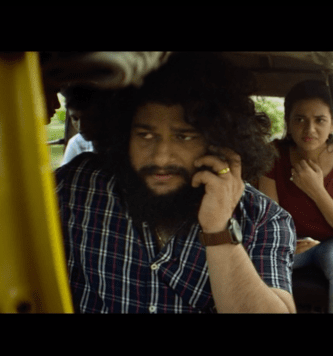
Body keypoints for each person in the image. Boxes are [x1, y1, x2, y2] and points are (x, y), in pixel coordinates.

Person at [55, 52, 296, 313]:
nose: (161, 157)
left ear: (220, 142)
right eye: (146, 135)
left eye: (184, 137)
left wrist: (218, 229)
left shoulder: (263, 218)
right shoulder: (75, 187)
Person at [258, 80, 333, 313]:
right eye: (300, 119)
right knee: (256, 264)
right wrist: (286, 243)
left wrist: (316, 190)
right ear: (288, 122)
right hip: (289, 242)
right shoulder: (274, 155)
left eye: (319, 120)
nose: (309, 129)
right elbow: (269, 222)